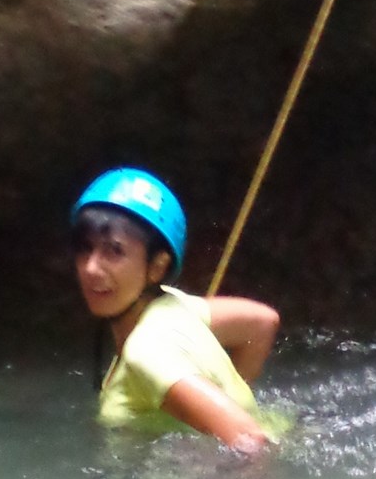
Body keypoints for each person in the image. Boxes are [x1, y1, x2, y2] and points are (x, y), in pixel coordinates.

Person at [70, 169, 284, 454]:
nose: (91, 267)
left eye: (114, 251)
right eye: (85, 249)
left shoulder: (146, 353)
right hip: (281, 430)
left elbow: (250, 440)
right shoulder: (176, 306)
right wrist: (220, 400)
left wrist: (200, 463)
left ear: (157, 266)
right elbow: (262, 323)